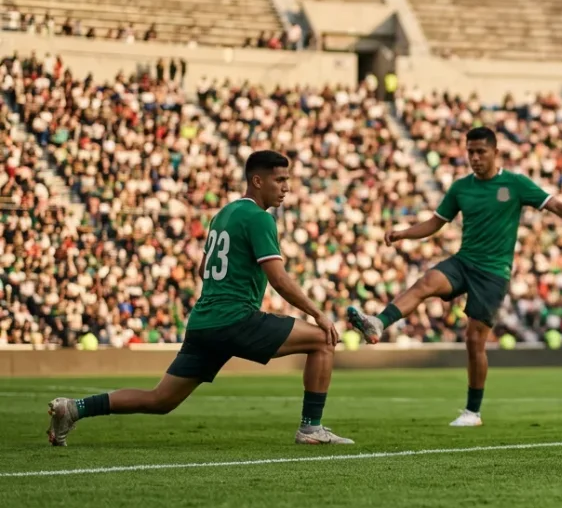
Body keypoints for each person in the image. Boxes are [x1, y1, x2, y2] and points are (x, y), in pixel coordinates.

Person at [46, 151, 352, 446]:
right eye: (279, 180)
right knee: (323, 340)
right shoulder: (260, 218)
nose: (286, 188)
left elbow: (204, 268)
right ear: (257, 181)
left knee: (161, 399)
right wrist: (318, 313)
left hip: (205, 322)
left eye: (288, 180)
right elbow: (279, 278)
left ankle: (74, 408)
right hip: (235, 318)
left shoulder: (224, 214)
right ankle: (311, 428)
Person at [346, 126, 562, 427]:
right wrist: (404, 233)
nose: (474, 158)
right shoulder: (460, 188)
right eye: (470, 152)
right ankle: (378, 322)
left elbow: (557, 206)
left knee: (474, 341)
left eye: (480, 152)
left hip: (493, 273)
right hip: (464, 261)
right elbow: (436, 222)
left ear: (496, 153)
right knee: (426, 283)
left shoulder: (515, 184)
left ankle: (473, 412)